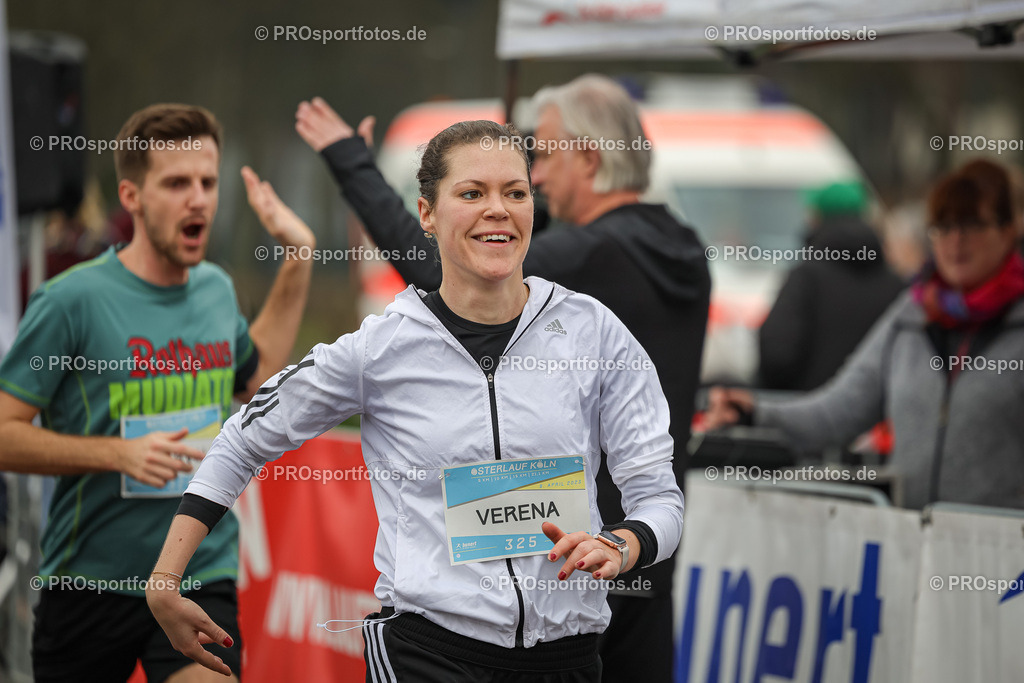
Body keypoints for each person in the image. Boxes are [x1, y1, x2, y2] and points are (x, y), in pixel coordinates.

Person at [145, 119, 685, 682]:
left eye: (515, 193)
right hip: (430, 656)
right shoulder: (382, 348)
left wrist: (622, 546)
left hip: (567, 658)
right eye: (472, 193)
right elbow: (241, 438)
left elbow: (660, 502)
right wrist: (165, 580)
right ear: (427, 214)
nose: (497, 209)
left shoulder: (592, 332)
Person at [294, 74, 710, 682]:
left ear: (589, 158)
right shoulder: (686, 249)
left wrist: (352, 165)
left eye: (540, 158)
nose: (535, 178)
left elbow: (440, 265)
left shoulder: (584, 258)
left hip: (564, 553)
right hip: (641, 539)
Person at [0, 103, 316, 682]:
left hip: (199, 573)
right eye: (176, 183)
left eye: (207, 182)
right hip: (90, 580)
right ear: (131, 196)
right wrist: (116, 454)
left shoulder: (217, 290)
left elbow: (256, 377)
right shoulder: (72, 300)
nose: (198, 199)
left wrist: (298, 258)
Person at [706, 159, 1024, 510]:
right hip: (912, 544)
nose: (956, 241)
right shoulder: (911, 315)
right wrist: (756, 412)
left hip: (1003, 555)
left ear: (1009, 230)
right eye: (943, 227)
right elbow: (838, 412)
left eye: (973, 224)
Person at [759, 181, 905, 391]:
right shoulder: (895, 284)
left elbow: (777, 354)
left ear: (818, 217)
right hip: (878, 416)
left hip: (808, 412)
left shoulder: (806, 278)